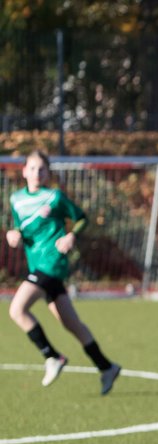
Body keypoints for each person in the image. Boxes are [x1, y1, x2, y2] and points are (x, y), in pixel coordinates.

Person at [7, 150, 122, 394]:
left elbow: (81, 218)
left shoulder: (54, 197)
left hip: (52, 263)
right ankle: (107, 367)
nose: (37, 173)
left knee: (17, 309)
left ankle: (52, 357)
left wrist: (71, 236)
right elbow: (21, 229)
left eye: (42, 169)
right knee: (72, 324)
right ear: (24, 171)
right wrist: (13, 236)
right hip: (36, 264)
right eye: (33, 168)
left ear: (48, 173)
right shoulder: (16, 199)